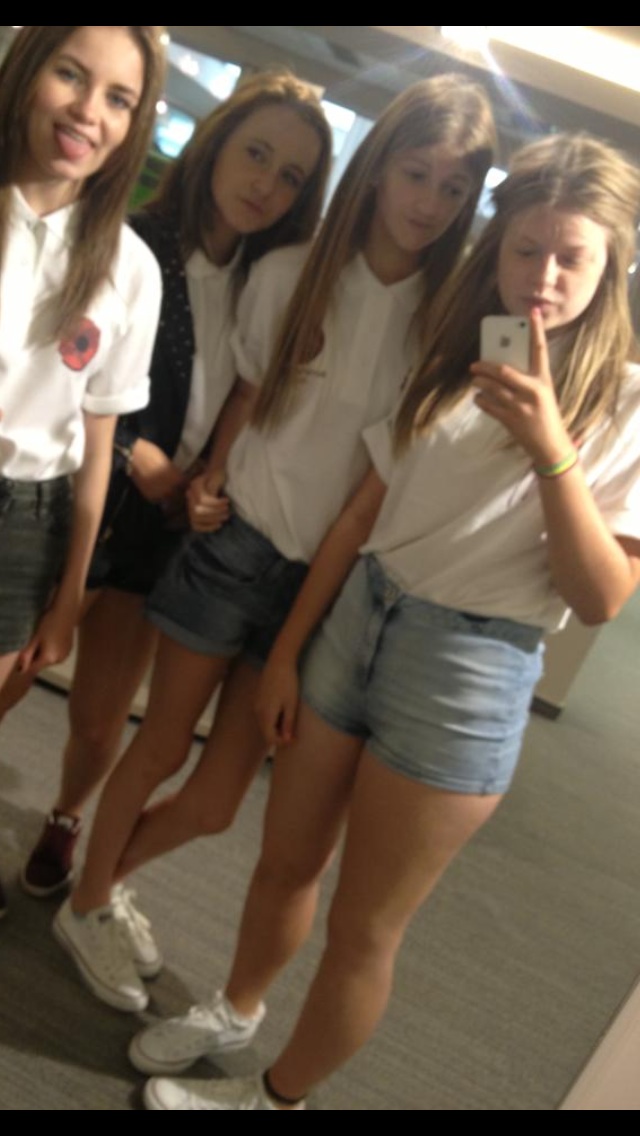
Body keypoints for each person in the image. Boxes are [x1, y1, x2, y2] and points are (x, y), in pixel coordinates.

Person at [128, 132, 640, 1111]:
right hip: (359, 614)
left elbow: (600, 596)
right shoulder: (456, 350)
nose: (542, 276)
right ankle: (236, 1007)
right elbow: (362, 514)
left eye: (570, 255)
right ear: (496, 248)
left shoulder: (622, 402)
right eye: (525, 248)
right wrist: (287, 652)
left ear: (612, 259)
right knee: (286, 861)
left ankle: (277, 1097)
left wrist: (550, 446)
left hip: (467, 665)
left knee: (364, 927)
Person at [52, 74, 497, 1012]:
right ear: (378, 170)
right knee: (157, 748)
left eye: (454, 188)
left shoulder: (446, 318)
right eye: (416, 174)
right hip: (233, 550)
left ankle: (97, 881)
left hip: (321, 587)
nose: (429, 203)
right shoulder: (293, 273)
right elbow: (249, 398)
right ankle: (87, 901)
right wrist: (210, 475)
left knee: (218, 802)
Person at [15, 72, 332, 948]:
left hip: (172, 528)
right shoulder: (128, 242)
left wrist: (207, 479)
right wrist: (133, 453)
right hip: (81, 498)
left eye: (292, 176)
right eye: (255, 153)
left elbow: (257, 401)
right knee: (23, 674)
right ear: (215, 143)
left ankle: (67, 820)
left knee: (105, 716)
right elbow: (57, 376)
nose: (265, 184)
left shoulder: (275, 279)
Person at [0, 26, 166, 918]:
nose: (87, 112)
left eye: (118, 98)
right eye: (71, 74)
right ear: (28, 70)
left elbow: (99, 449)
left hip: (26, 519)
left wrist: (69, 594)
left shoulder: (129, 270)